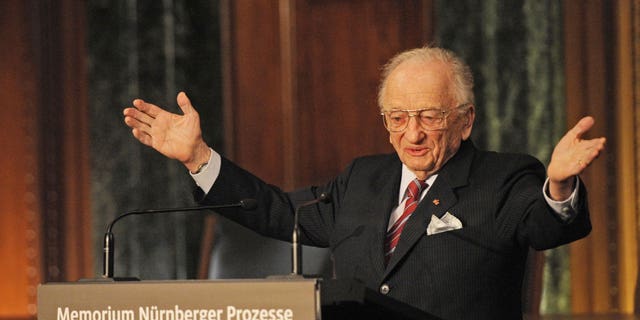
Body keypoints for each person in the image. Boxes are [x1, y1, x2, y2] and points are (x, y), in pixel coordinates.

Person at [123, 46, 606, 319]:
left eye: (429, 116)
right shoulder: (362, 179)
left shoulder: (503, 178)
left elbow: (548, 226)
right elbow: (275, 212)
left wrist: (559, 185)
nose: (411, 133)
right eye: (396, 117)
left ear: (465, 120)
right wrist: (199, 158)